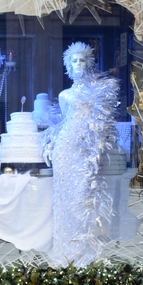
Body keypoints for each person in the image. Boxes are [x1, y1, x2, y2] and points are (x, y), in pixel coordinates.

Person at [42, 42, 119, 267]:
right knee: (64, 199)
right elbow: (65, 123)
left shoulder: (98, 92)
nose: (78, 64)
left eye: (82, 60)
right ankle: (65, 252)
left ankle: (83, 253)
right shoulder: (64, 95)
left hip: (85, 152)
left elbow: (101, 124)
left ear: (89, 63)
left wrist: (96, 148)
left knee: (84, 197)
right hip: (65, 150)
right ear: (68, 65)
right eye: (74, 61)